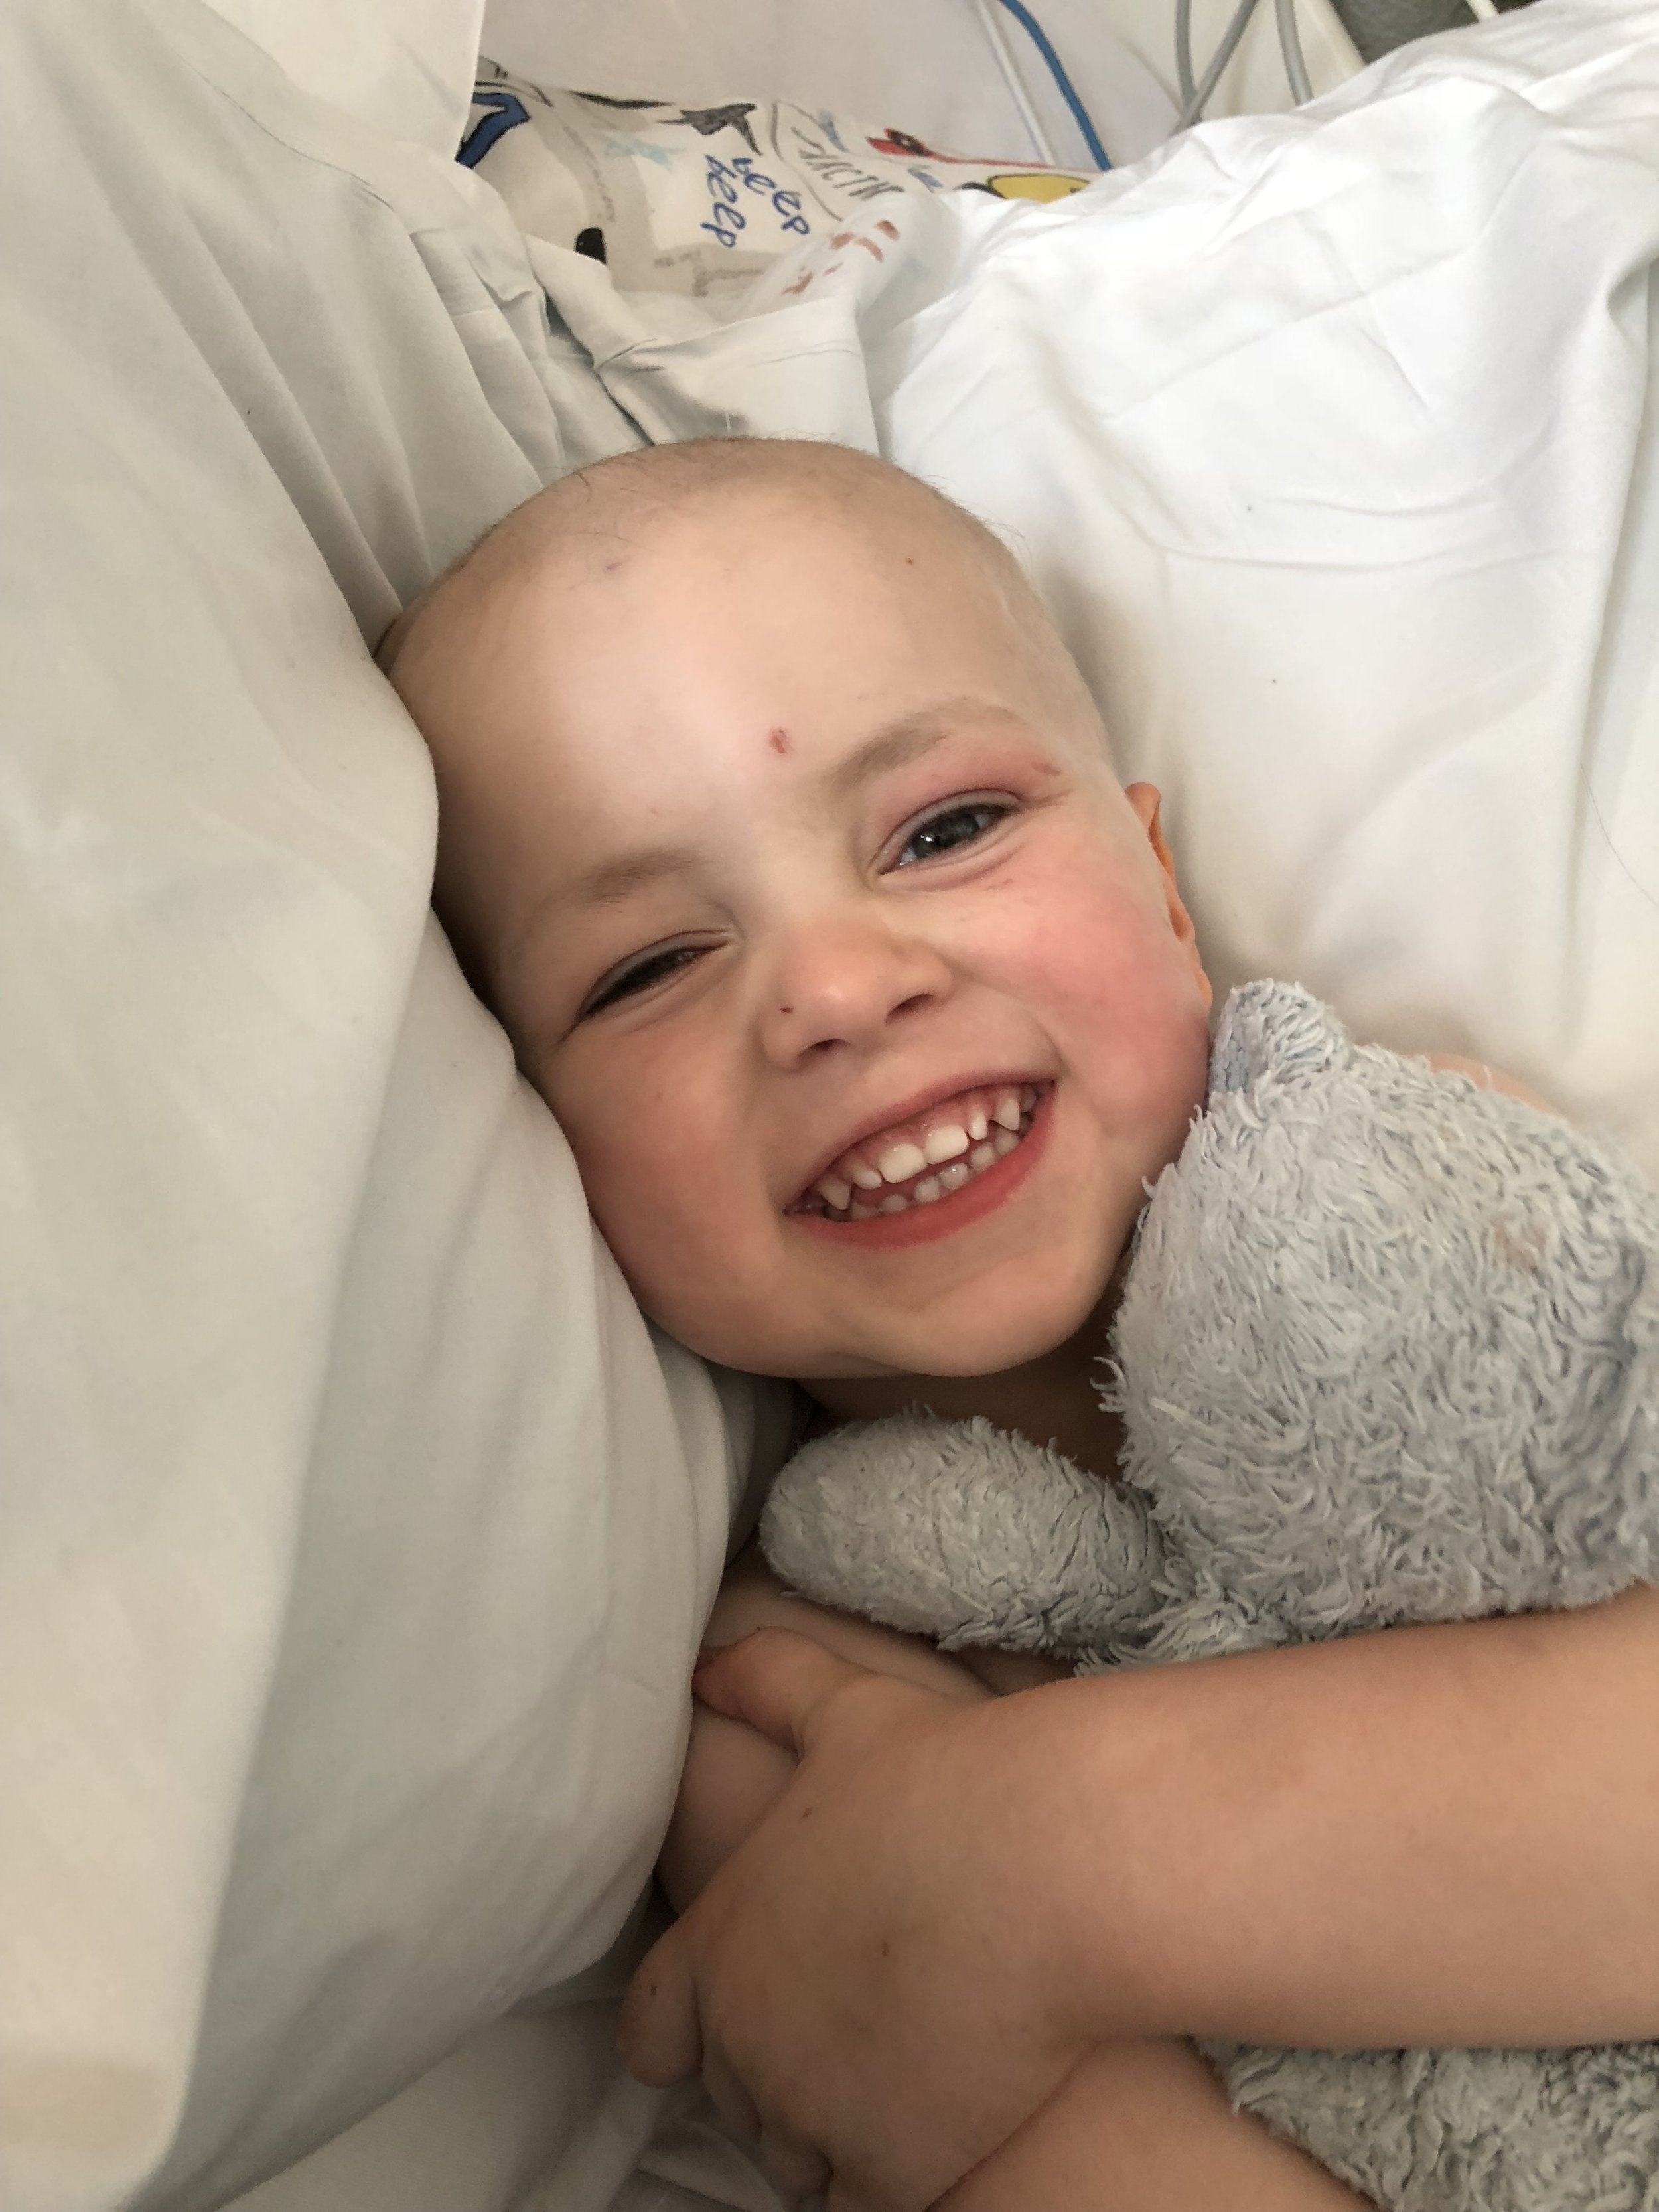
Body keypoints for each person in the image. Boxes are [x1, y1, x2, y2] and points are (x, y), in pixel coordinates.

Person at [380, 435, 1659, 2211]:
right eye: (647, 969)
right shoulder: (782, 1693)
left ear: (1158, 880)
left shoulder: (1452, 1210)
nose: (833, 989)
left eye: (947, 829)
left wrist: (1042, 1857)